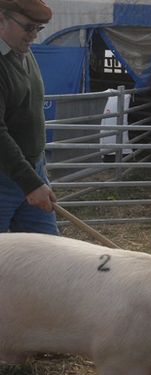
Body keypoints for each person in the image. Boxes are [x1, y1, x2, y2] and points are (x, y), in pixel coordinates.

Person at [0, 0, 58, 234]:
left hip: (31, 169)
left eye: (38, 28)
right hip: (6, 176)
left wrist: (36, 174)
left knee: (48, 254)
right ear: (1, 19)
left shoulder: (21, 50)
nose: (33, 35)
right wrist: (30, 183)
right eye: (28, 27)